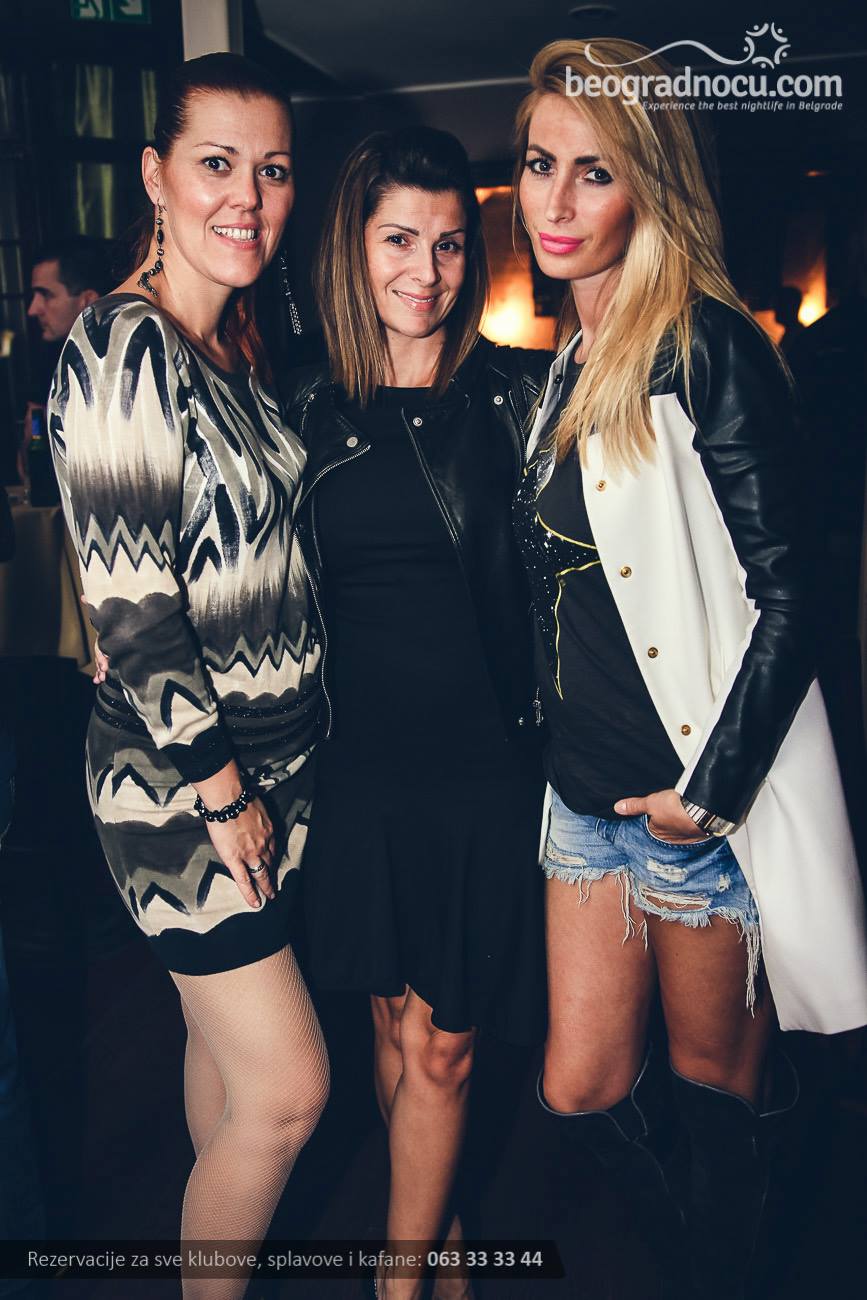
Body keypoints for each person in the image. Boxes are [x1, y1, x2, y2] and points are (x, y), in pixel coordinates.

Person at [510, 38, 867, 1299]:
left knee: (720, 1092)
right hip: (582, 800)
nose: (556, 201)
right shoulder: (567, 362)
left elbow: (797, 595)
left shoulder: (703, 344)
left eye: (593, 172)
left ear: (648, 185)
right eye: (539, 164)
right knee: (580, 1084)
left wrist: (704, 794)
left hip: (691, 807)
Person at [47, 54, 328, 1299]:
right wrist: (224, 792)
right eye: (217, 164)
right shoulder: (123, 345)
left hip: (272, 767)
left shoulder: (231, 349)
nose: (247, 198)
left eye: (272, 170)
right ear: (156, 177)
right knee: (288, 1092)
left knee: (223, 1063)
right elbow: (137, 610)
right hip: (186, 787)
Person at [287, 126, 549, 1300]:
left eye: (449, 244)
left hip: (483, 771)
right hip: (358, 768)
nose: (426, 271)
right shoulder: (300, 402)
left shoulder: (517, 397)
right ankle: (440, 1253)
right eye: (400, 240)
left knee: (444, 1044)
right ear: (356, 246)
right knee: (394, 1026)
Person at [19, 239, 113, 482]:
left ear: (87, 300)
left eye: (46, 295)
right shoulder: (50, 358)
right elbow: (32, 448)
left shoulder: (124, 362)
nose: (33, 309)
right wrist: (36, 431)